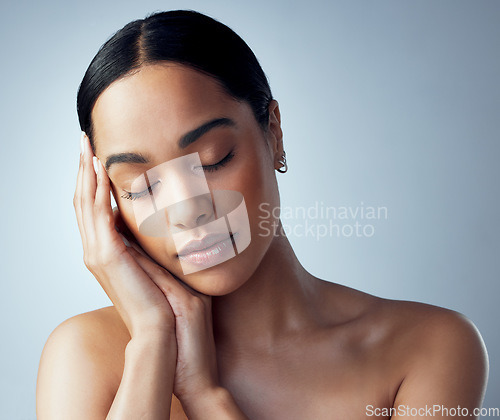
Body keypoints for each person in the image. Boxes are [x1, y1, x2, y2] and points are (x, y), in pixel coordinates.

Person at [36, 9, 488, 419]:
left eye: (212, 158)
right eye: (141, 186)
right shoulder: (85, 355)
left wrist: (203, 395)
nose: (187, 211)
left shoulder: (429, 347)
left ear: (273, 133)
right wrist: (154, 340)